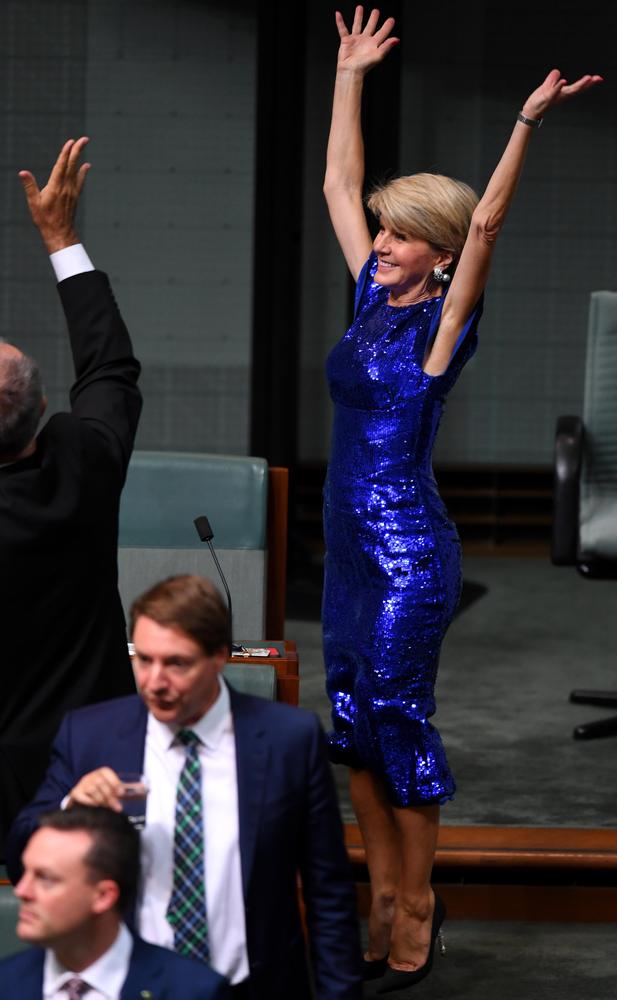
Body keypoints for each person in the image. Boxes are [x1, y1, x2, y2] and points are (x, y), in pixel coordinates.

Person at [321, 6, 602, 993]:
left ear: (437, 256)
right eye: (383, 231)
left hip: (405, 552)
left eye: (404, 235)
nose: (383, 241)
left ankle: (415, 907)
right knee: (348, 721)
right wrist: (350, 72)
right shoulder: (367, 296)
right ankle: (380, 894)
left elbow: (487, 222)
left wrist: (523, 120)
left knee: (396, 715)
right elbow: (336, 182)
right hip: (345, 549)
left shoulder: (441, 328)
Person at [6, 575, 361, 1000]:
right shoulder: (91, 736)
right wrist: (70, 804)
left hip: (255, 986)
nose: (155, 681)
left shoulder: (290, 740)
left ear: (218, 658)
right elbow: (17, 855)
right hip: (133, 986)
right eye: (144, 660)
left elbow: (329, 893)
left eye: (176, 663)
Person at [0, 138, 142, 853]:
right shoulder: (83, 465)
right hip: (84, 769)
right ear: (47, 404)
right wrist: (62, 240)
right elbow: (109, 363)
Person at [0, 805, 230, 998]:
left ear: (103, 896)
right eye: (25, 872)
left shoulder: (193, 992)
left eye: (46, 879)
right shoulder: (6, 984)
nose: (22, 891)